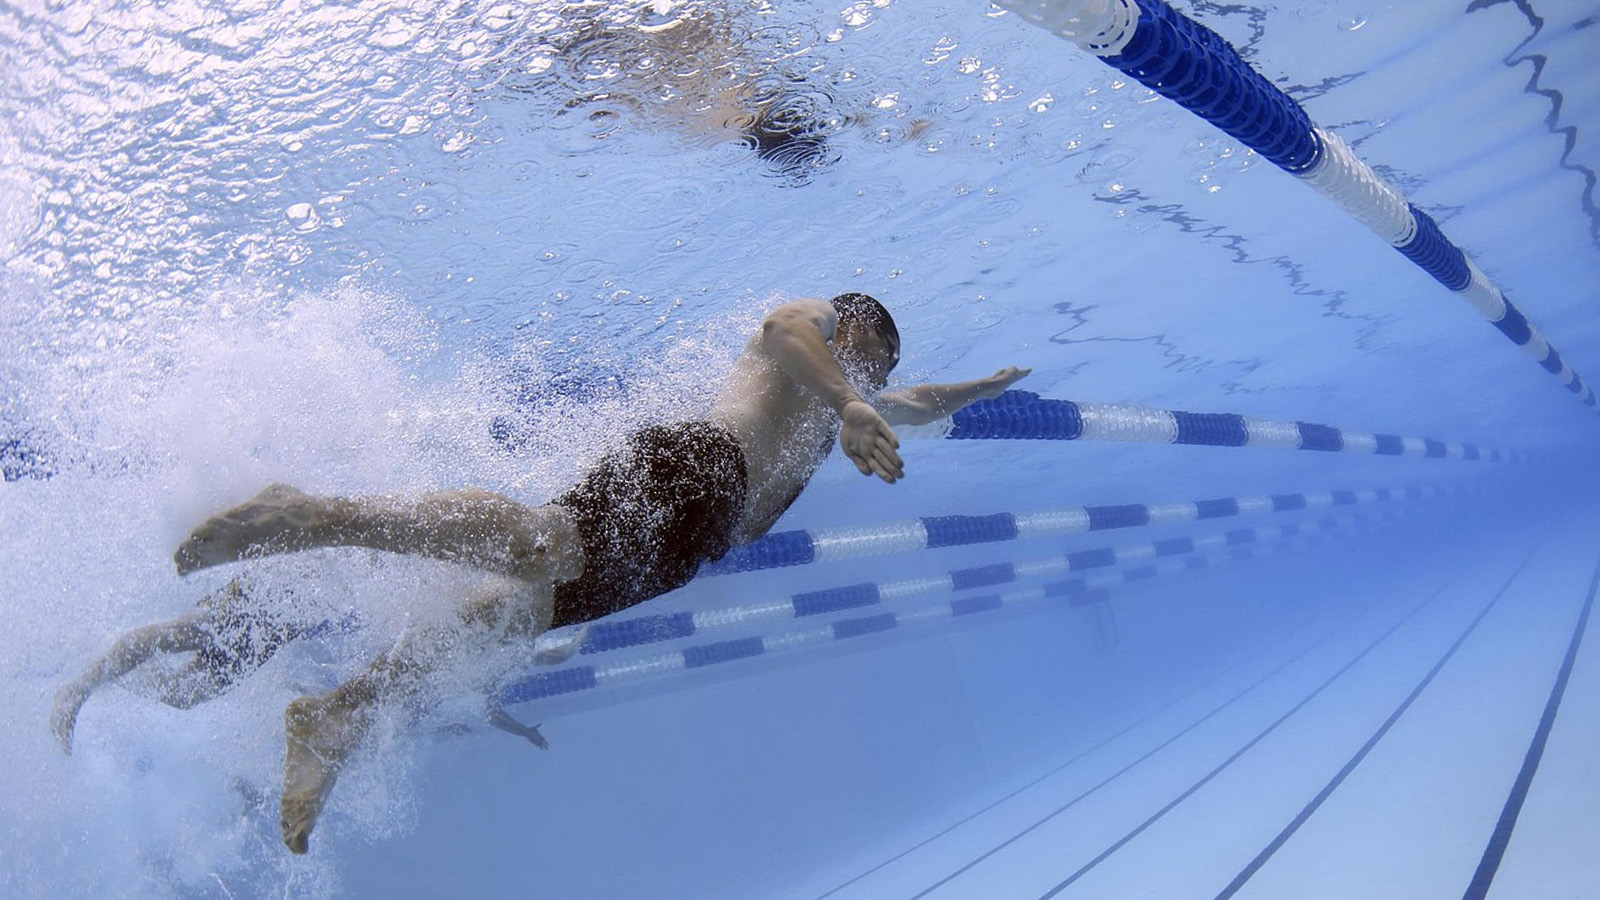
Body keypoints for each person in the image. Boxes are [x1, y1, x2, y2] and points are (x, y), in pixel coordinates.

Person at [171, 293, 1030, 853]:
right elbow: (782, 332)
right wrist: (845, 397)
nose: (875, 374)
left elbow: (911, 405)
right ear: (848, 327)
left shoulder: (860, 389)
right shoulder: (817, 340)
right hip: (701, 467)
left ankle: (339, 711)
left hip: (691, 546)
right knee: (543, 547)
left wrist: (978, 390)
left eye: (880, 367)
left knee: (509, 616)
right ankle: (311, 515)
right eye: (870, 352)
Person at [50, 577, 560, 756]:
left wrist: (520, 730)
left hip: (277, 628)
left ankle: (109, 675)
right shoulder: (457, 604)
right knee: (188, 633)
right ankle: (82, 685)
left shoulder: (478, 657)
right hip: (269, 593)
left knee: (187, 695)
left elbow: (490, 706)